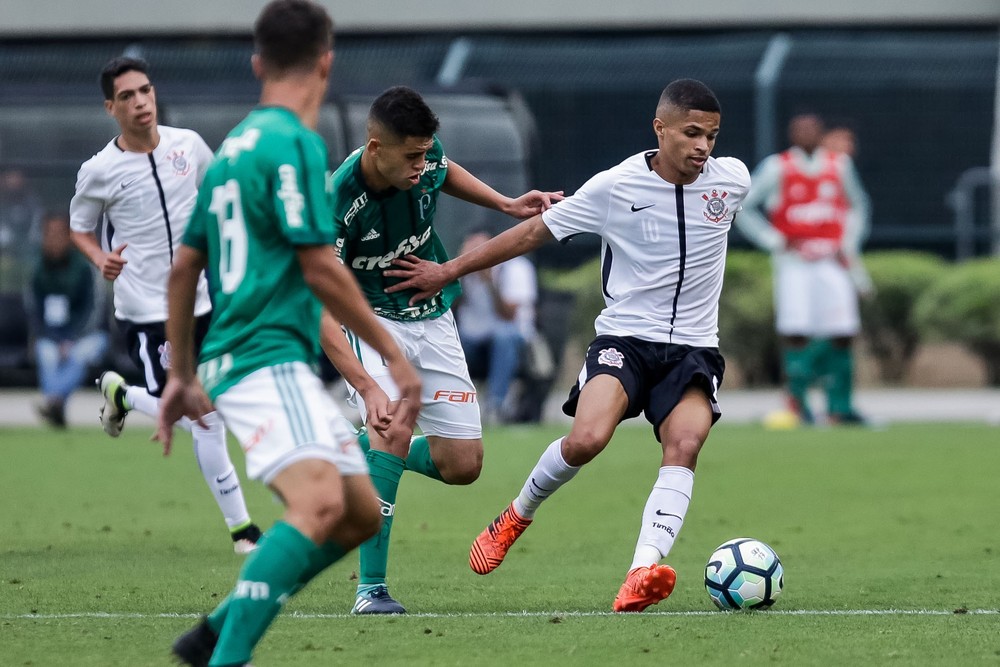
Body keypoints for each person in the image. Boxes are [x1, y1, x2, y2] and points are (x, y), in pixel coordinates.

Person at [384, 79, 750, 613]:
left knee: (685, 446)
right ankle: (516, 514)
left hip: (695, 348)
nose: (702, 147)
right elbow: (534, 233)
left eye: (711, 137)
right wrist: (449, 269)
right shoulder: (614, 187)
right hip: (624, 340)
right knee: (586, 439)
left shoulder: (731, 180)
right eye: (691, 133)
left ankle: (641, 570)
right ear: (660, 128)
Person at [160, 2, 421, 664]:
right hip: (263, 357)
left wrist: (180, 373)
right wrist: (393, 356)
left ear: (257, 64)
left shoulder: (232, 151)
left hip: (251, 358)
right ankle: (227, 656)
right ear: (326, 61)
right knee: (317, 503)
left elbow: (184, 268)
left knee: (359, 509)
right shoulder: (297, 143)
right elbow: (319, 265)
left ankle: (220, 627)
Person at [320, 85, 562, 614]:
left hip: (432, 316)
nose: (422, 165)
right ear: (374, 146)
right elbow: (316, 304)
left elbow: (445, 170)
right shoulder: (337, 201)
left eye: (427, 152)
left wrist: (503, 203)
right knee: (393, 427)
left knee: (463, 464)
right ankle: (370, 591)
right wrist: (364, 385)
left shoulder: (424, 157)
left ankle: (356, 449)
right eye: (411, 156)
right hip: (373, 321)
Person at [68, 56, 261, 553]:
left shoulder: (188, 145)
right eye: (127, 96)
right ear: (111, 107)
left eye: (145, 91)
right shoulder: (99, 171)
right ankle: (243, 531)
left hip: (200, 300)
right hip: (147, 310)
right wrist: (99, 258)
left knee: (204, 407)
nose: (140, 102)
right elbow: (79, 228)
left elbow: (221, 194)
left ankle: (121, 395)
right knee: (200, 412)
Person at [737, 113, 872, 425]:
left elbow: (858, 205)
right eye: (800, 131)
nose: (807, 135)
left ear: (820, 133)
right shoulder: (778, 166)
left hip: (832, 261)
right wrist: (774, 240)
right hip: (795, 264)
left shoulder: (839, 166)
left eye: (812, 130)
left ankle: (840, 407)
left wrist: (848, 242)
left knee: (842, 331)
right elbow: (744, 204)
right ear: (792, 135)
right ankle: (798, 405)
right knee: (796, 331)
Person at [29, 213, 109, 428]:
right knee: (46, 353)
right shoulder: (38, 270)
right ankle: (56, 407)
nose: (54, 239)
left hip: (87, 336)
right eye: (49, 234)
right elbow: (34, 313)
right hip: (52, 337)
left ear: (69, 237)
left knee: (79, 355)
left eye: (59, 234)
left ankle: (53, 401)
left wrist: (70, 339)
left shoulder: (84, 268)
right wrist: (56, 339)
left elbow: (94, 311)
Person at [455, 229, 540, 424]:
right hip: (473, 338)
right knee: (444, 338)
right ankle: (450, 406)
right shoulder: (463, 271)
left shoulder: (517, 268)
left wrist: (489, 280)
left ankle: (496, 405)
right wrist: (458, 272)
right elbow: (448, 309)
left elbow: (508, 315)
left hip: (513, 338)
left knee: (503, 336)